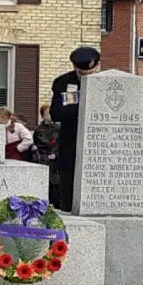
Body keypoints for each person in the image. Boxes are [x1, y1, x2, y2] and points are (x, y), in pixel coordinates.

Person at [47, 46, 100, 211]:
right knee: (69, 179)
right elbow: (56, 113)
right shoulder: (63, 83)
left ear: (97, 66)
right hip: (71, 139)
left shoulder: (105, 83)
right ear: (75, 67)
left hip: (98, 140)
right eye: (82, 73)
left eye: (89, 73)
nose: (86, 76)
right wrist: (83, 106)